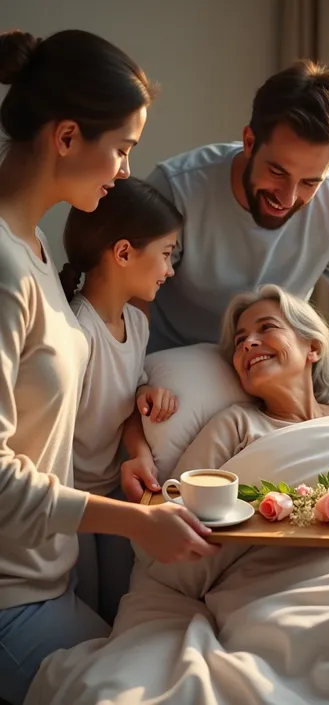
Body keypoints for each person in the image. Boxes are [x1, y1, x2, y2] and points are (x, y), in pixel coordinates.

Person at [0, 29, 216, 705]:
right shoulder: (7, 271)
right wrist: (130, 520)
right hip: (12, 595)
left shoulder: (31, 249)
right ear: (67, 137)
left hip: (46, 573)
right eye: (121, 147)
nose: (125, 169)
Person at [145, 59, 329, 427]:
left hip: (272, 378)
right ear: (249, 142)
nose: (289, 197)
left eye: (311, 181)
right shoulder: (177, 190)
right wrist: (137, 384)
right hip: (174, 375)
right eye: (277, 172)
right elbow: (128, 306)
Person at [60, 177, 182, 625]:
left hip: (113, 487)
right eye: (166, 254)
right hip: (72, 498)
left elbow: (125, 402)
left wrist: (140, 440)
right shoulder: (77, 331)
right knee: (88, 606)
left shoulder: (137, 322)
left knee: (124, 600)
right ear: (125, 252)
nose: (169, 270)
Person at [175, 285, 329, 473]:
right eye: (240, 340)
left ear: (313, 348)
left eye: (267, 327)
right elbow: (176, 499)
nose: (248, 343)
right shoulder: (236, 426)